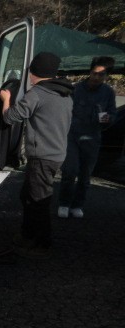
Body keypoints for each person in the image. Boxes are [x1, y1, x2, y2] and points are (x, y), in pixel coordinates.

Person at [0, 52, 73, 259]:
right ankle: (28, 234)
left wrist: (6, 99)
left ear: (33, 72)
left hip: (42, 155)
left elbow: (10, 117)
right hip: (56, 153)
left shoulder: (38, 93)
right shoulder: (65, 94)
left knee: (38, 201)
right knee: (28, 196)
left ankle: (42, 244)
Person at [57, 56, 117, 219]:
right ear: (90, 72)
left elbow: (113, 113)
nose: (96, 77)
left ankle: (77, 205)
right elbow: (64, 111)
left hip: (92, 138)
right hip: (72, 136)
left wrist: (108, 119)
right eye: (94, 73)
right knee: (69, 171)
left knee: (85, 175)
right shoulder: (75, 89)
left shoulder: (108, 93)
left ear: (107, 76)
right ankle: (64, 203)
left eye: (101, 74)